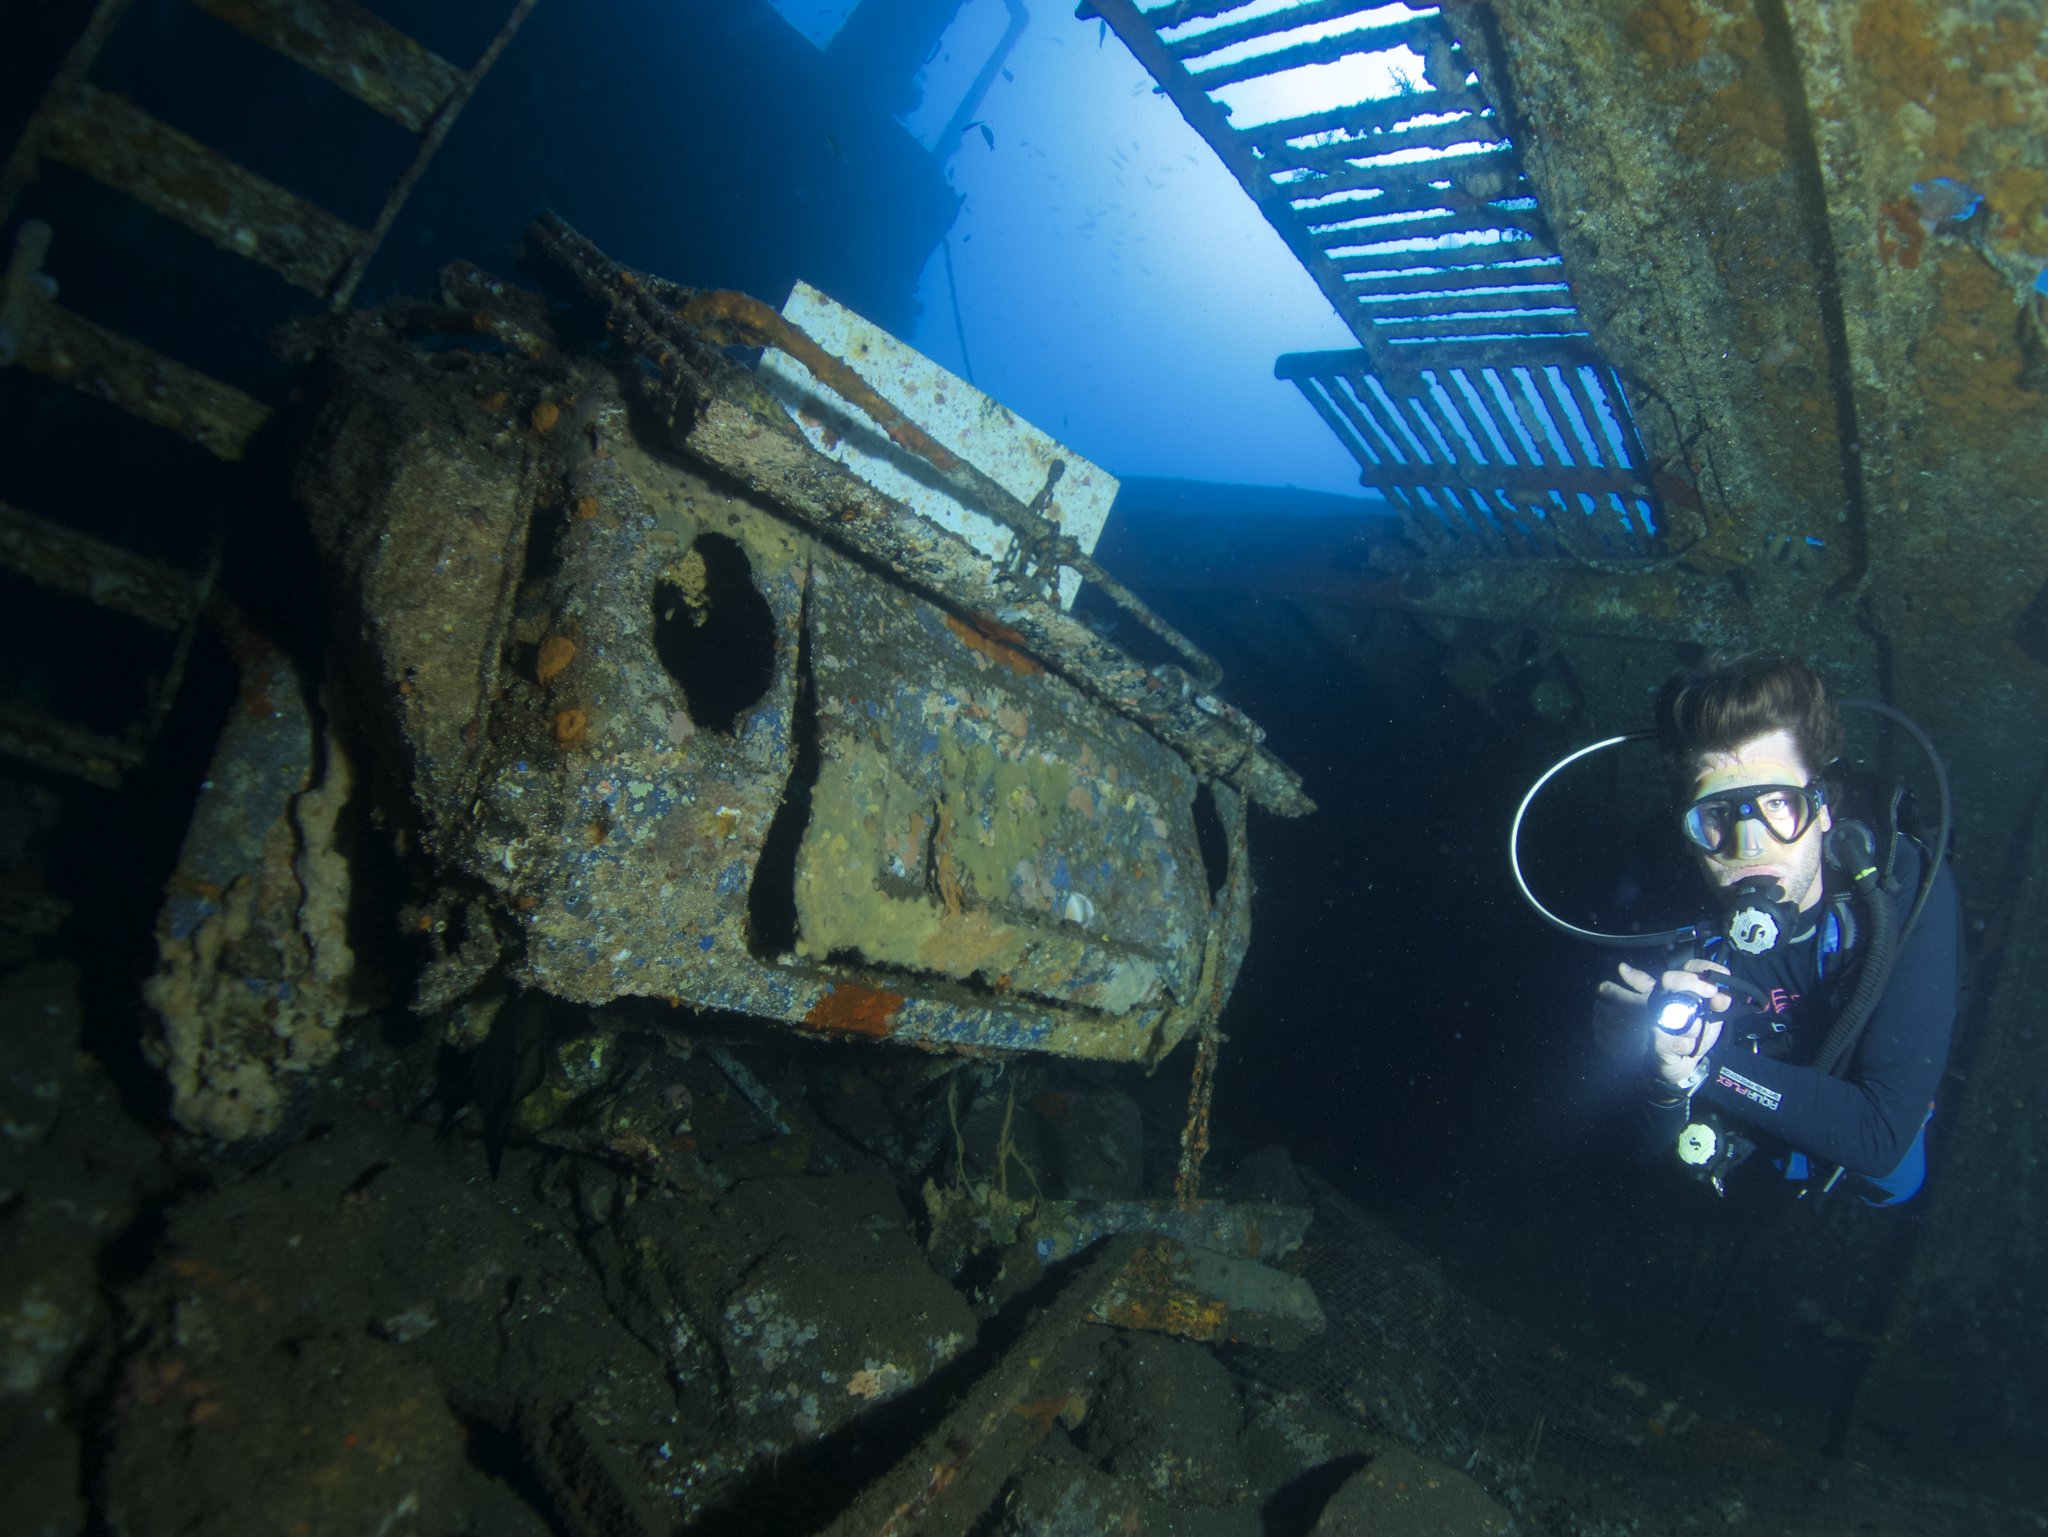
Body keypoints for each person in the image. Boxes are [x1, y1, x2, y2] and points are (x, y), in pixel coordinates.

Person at [1595, 653, 1960, 1202]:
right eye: (1717, 816)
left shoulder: (1896, 881)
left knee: (1897, 1183)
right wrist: (1663, 1080)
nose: (1750, 846)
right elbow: (1638, 1153)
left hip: (1860, 1115)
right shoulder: (1659, 916)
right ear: (1686, 831)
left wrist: (1701, 1063)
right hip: (1745, 1144)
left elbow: (1879, 1138)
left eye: (1777, 803)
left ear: (1824, 808)